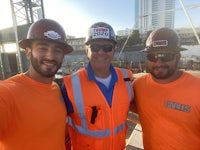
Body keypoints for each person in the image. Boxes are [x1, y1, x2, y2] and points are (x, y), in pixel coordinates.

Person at [0, 18, 73, 150]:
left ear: (62, 56)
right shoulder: (8, 93)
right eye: (42, 48)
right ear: (28, 52)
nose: (50, 56)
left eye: (57, 50)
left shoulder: (56, 88)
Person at [61, 22, 134, 150]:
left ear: (114, 51)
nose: (101, 52)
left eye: (107, 47)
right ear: (86, 50)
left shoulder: (127, 78)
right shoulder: (70, 86)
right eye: (95, 47)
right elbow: (58, 129)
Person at [133, 27, 200, 150]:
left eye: (166, 56)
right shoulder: (138, 86)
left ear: (178, 57)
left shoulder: (197, 90)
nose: (158, 62)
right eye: (152, 56)